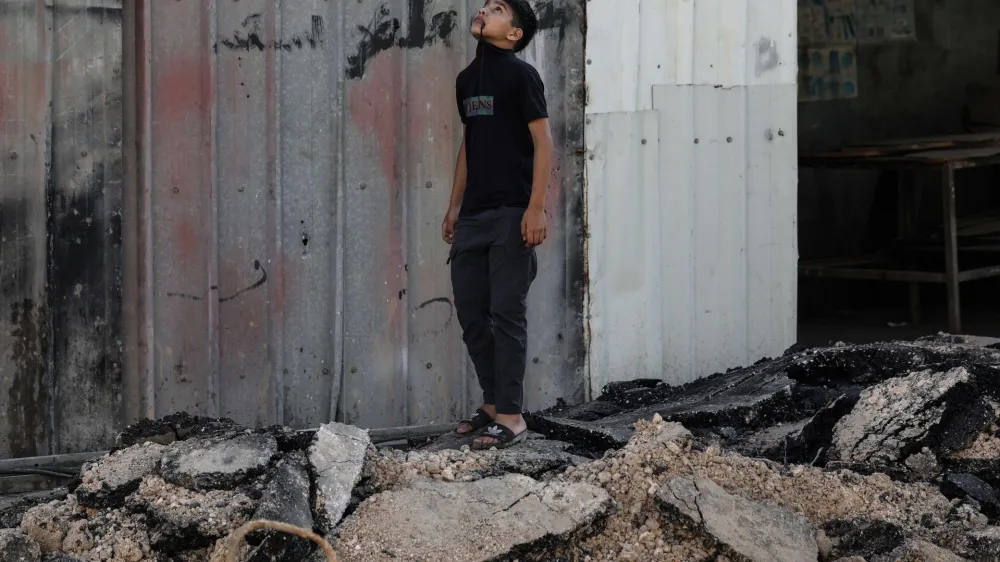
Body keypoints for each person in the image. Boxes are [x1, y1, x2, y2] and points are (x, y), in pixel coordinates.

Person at [441, 0, 552, 450]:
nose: (486, 9)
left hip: (512, 212)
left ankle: (510, 414)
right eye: (486, 4)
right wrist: (453, 206)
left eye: (500, 9)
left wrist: (536, 207)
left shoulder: (522, 76)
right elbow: (469, 144)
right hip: (474, 215)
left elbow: (543, 142)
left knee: (506, 313)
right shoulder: (466, 81)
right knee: (471, 312)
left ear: (514, 34)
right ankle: (490, 404)